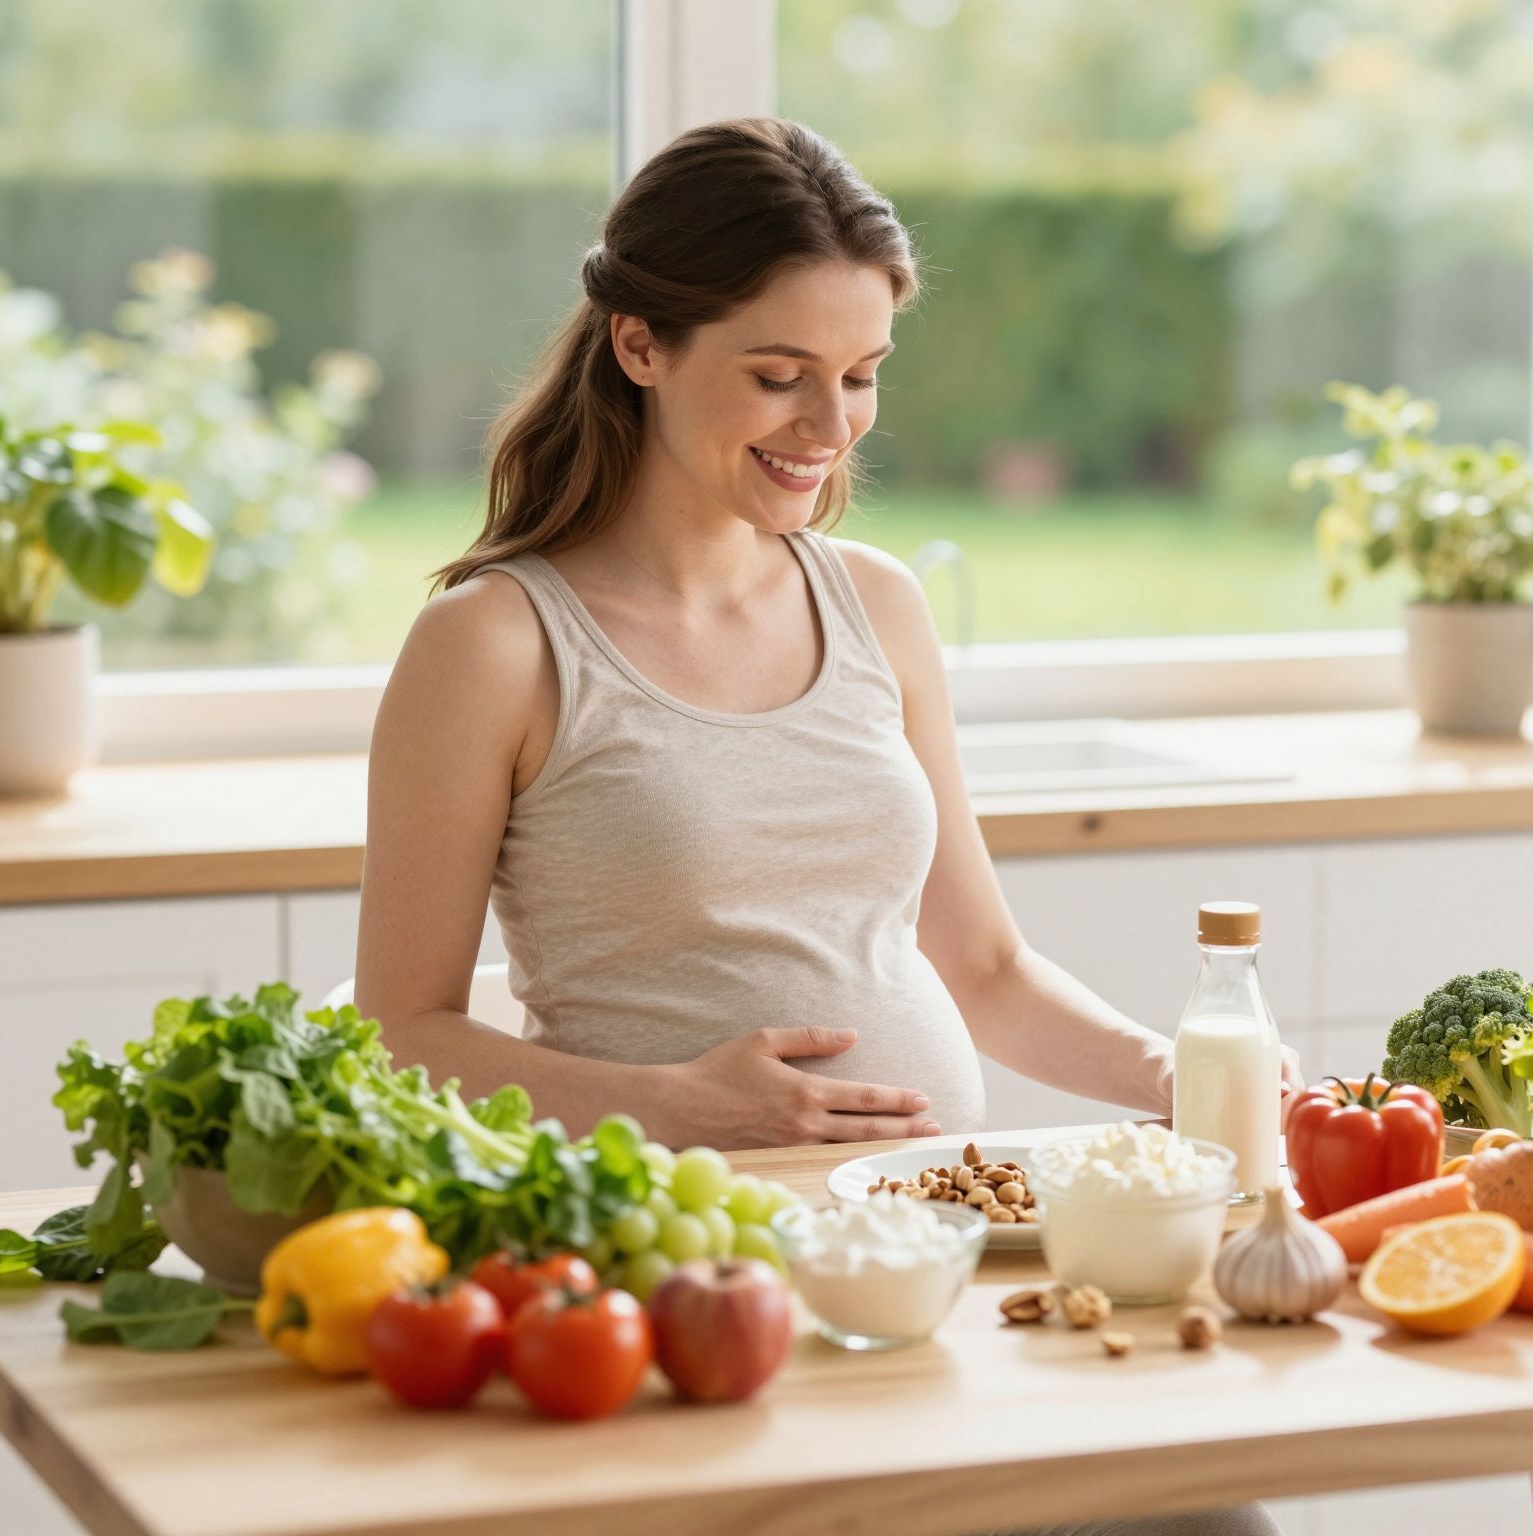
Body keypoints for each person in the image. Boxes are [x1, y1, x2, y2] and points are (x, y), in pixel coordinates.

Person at [360, 112, 1287, 1536]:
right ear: (640, 345)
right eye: (779, 376)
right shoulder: (494, 645)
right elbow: (401, 1036)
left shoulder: (875, 605)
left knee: (1218, 1513)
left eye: (858, 378)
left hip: (953, 1251)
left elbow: (980, 969)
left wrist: (1189, 1081)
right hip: (690, 1290)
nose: (829, 427)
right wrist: (678, 1105)